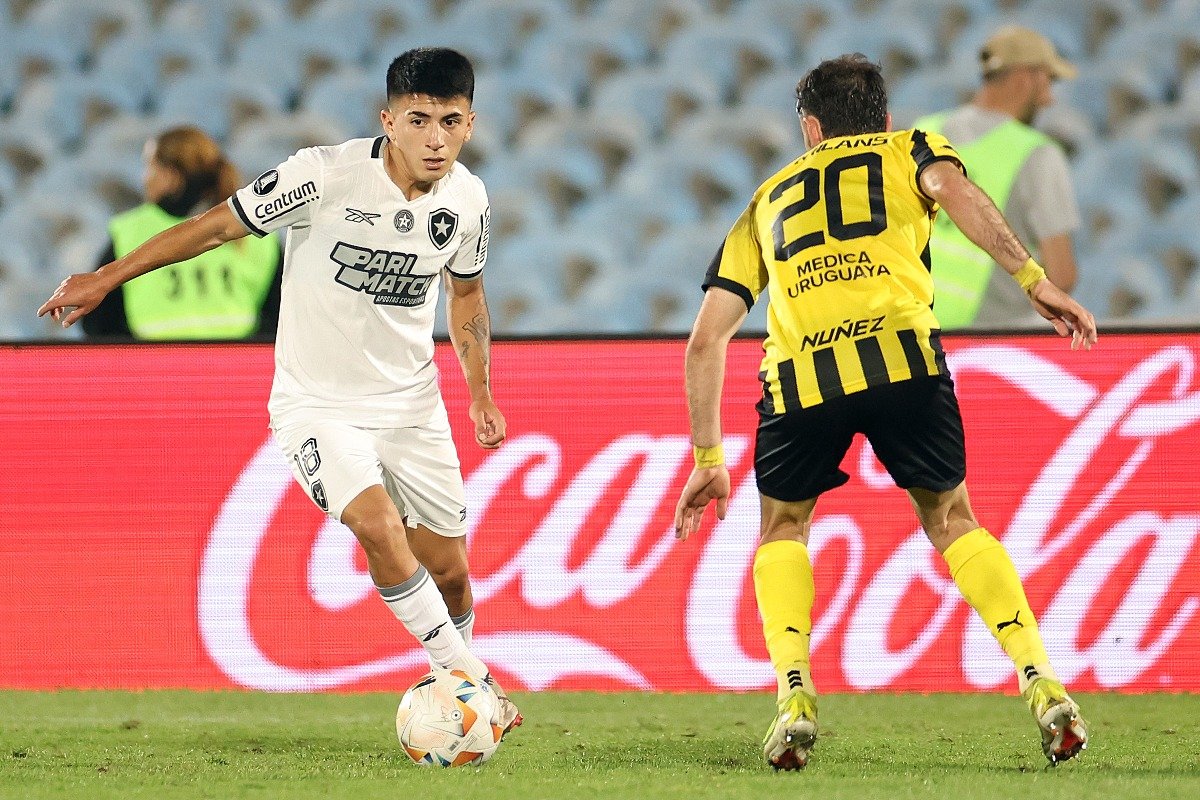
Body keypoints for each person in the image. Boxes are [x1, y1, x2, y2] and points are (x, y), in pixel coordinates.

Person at [40, 47, 520, 735]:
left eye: (450, 121)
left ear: (471, 123)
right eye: (419, 120)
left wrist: (479, 391)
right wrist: (107, 276)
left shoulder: (468, 200)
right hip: (316, 405)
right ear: (388, 120)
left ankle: (460, 694)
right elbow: (212, 228)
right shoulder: (321, 177)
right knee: (378, 526)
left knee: (450, 576)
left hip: (413, 405)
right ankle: (477, 688)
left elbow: (467, 295)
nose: (435, 138)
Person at [673, 54, 1096, 771]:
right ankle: (1039, 679)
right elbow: (956, 192)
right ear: (887, 118)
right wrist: (1033, 278)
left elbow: (706, 339)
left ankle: (795, 695)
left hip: (802, 379)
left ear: (810, 128)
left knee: (784, 525)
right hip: (903, 359)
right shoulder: (911, 150)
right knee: (953, 518)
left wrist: (709, 460)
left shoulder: (768, 196)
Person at [914, 25, 1081, 329]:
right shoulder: (1038, 154)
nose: (1049, 99)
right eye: (1048, 81)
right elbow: (1062, 276)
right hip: (995, 344)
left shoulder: (922, 132)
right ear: (1024, 78)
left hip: (919, 334)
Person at [82, 126, 282, 340]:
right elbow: (280, 317)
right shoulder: (257, 228)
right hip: (238, 368)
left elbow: (98, 324)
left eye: (150, 167)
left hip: (154, 369)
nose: (144, 179)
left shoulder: (130, 231)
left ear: (171, 175)